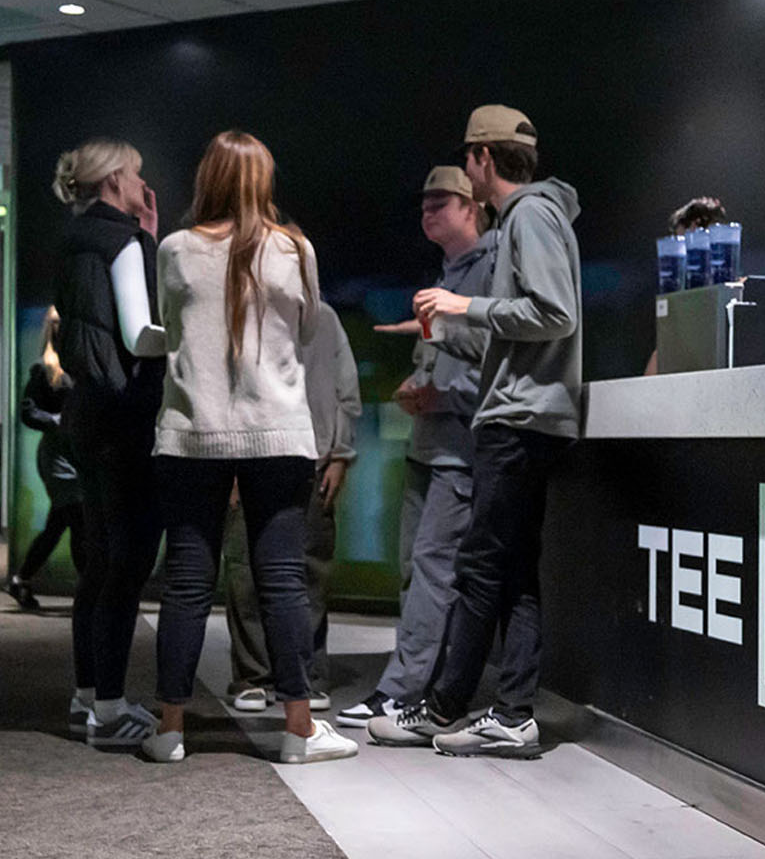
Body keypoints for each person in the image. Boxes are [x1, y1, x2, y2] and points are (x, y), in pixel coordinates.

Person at [368, 105, 582, 757]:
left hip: (519, 417)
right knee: (512, 570)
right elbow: (526, 319)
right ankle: (512, 712)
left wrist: (466, 305)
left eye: (467, 157)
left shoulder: (530, 217)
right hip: (522, 412)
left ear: (484, 159)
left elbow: (554, 313)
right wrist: (450, 323)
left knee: (481, 567)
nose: (465, 169)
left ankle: (439, 707)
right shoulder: (535, 216)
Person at [140, 130, 357, 765]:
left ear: (206, 177)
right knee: (283, 579)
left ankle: (169, 730)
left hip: (189, 436)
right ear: (264, 181)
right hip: (278, 433)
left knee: (186, 581)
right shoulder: (295, 249)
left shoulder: (174, 250)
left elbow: (168, 327)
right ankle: (299, 731)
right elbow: (310, 328)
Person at [337, 166, 496, 728]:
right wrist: (418, 385)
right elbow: (447, 354)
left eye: (441, 200)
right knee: (418, 566)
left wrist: (441, 393)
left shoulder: (494, 266)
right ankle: (421, 684)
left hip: (461, 446)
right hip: (432, 442)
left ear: (472, 204)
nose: (428, 210)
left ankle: (406, 690)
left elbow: (498, 356)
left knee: (433, 567)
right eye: (424, 201)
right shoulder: (452, 270)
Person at [51, 138, 167, 744]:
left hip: (84, 414)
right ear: (116, 177)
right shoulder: (120, 242)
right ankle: (112, 710)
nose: (142, 182)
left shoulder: (72, 240)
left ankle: (88, 695)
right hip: (126, 419)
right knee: (127, 562)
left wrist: (144, 234)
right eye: (137, 172)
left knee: (97, 562)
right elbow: (141, 335)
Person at [224, 299, 361, 714]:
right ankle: (252, 675)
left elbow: (346, 390)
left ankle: (307, 674)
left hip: (312, 457)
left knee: (311, 569)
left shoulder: (326, 317)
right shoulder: (242, 311)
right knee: (244, 568)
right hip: (249, 456)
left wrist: (339, 454)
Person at [8, 306, 85, 611]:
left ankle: (22, 579)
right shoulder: (44, 369)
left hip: (76, 457)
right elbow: (28, 411)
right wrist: (57, 421)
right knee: (79, 522)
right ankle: (89, 593)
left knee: (59, 525)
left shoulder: (77, 364)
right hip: (59, 461)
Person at [644, 196, 729, 376]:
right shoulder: (683, 301)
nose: (677, 251)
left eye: (680, 240)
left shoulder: (732, 295)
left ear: (694, 227)